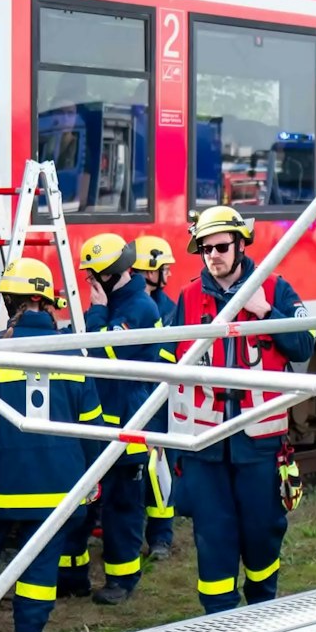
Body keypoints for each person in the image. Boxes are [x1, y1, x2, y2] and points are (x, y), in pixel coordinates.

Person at [0, 259, 105, 632]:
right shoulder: (73, 353)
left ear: (7, 300)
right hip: (58, 489)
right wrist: (93, 475)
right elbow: (93, 426)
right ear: (48, 301)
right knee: (39, 566)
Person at [169, 206, 315, 614]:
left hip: (259, 443)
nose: (212, 255)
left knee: (262, 533)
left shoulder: (276, 288)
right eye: (204, 248)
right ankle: (218, 623)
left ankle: (262, 612)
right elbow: (169, 366)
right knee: (212, 536)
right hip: (205, 445)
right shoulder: (186, 297)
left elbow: (304, 346)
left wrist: (265, 312)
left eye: (220, 247)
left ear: (240, 244)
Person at [56, 232, 163, 605]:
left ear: (112, 274)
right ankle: (72, 575)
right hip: (97, 419)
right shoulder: (116, 302)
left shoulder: (139, 308)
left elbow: (102, 354)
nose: (88, 282)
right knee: (81, 499)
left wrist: (97, 313)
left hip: (127, 421)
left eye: (93, 275)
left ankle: (123, 578)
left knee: (121, 504)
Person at [135, 235, 181, 560]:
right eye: (163, 267)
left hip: (162, 405)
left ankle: (161, 539)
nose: (167, 273)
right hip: (134, 401)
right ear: (147, 271)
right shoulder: (131, 307)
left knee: (161, 473)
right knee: (133, 477)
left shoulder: (170, 310)